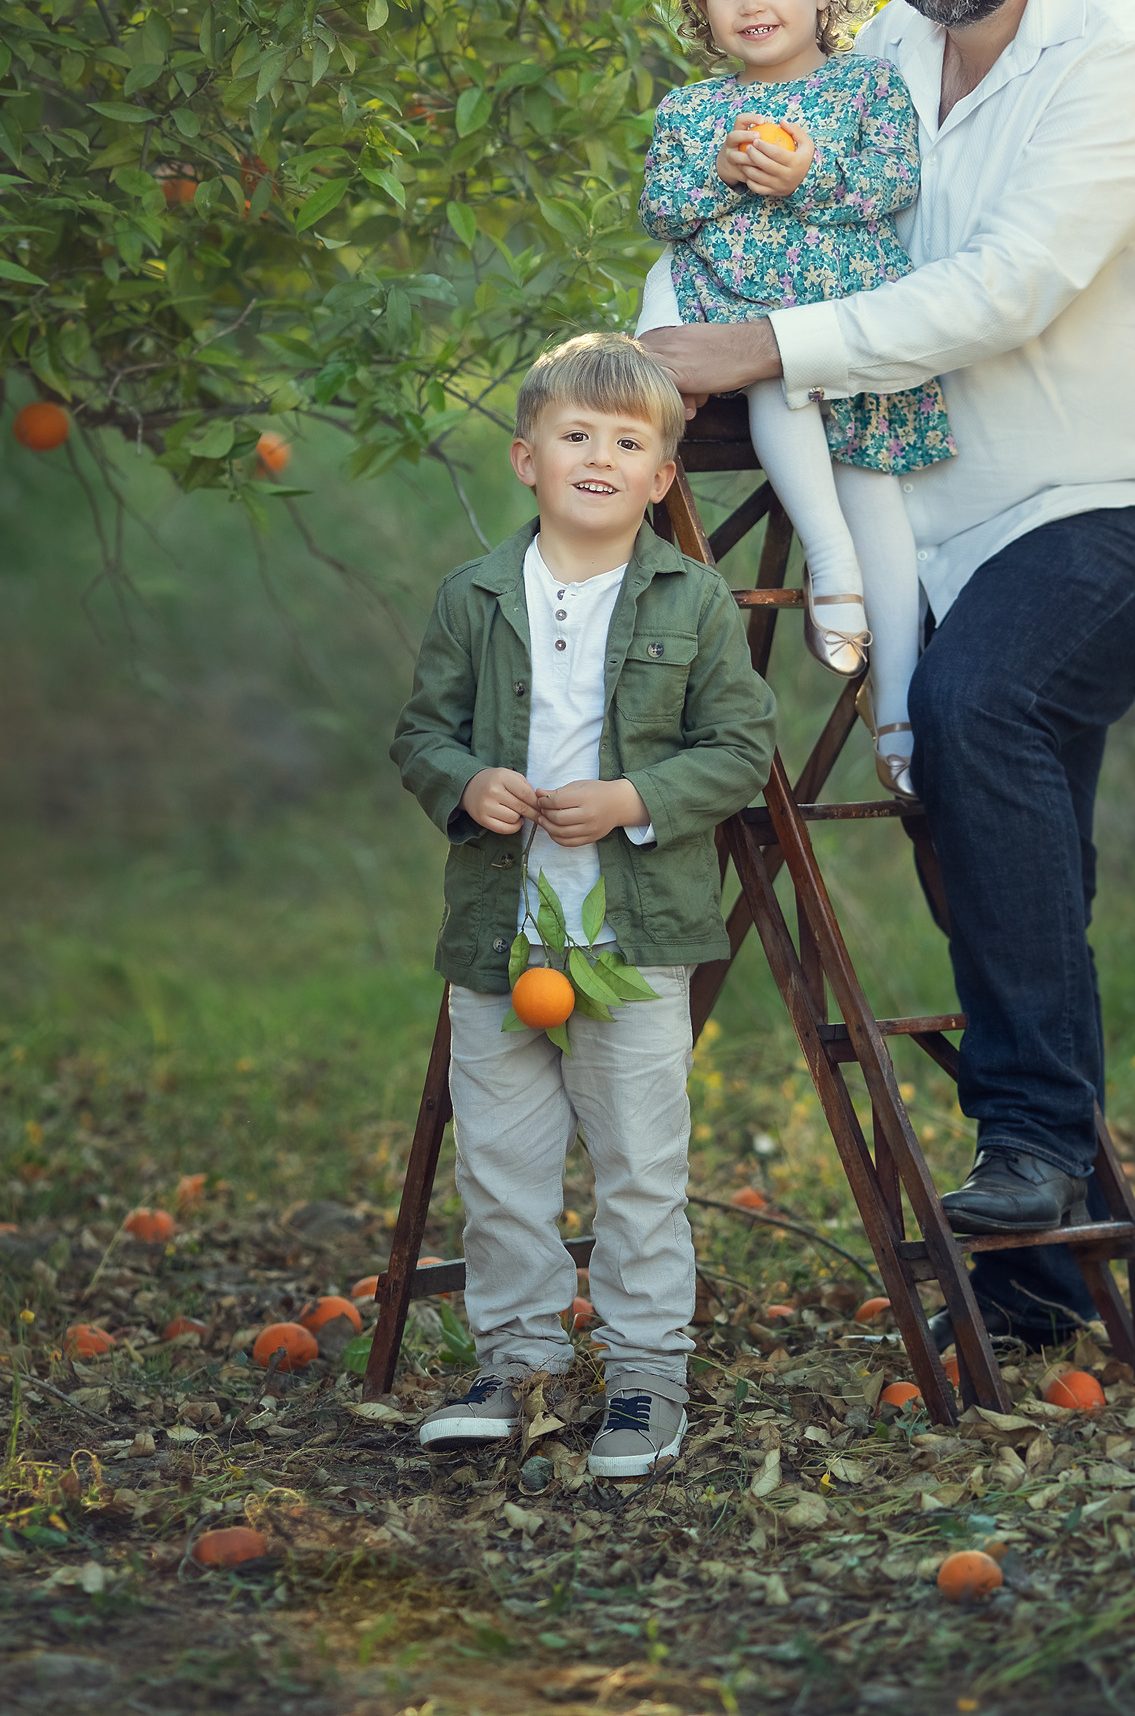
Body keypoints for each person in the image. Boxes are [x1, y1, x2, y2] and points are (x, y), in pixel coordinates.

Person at [639, 0, 1135, 1348]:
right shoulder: (888, 57)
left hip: (1122, 499)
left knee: (980, 712)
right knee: (992, 838)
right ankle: (1044, 1272)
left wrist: (761, 344)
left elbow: (1005, 291)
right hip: (938, 515)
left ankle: (1037, 1152)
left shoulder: (1128, 59)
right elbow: (796, 200)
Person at [390, 333, 779, 1471]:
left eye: (625, 442)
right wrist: (467, 782)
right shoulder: (471, 597)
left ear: (661, 475)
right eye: (574, 437)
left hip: (632, 933)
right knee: (502, 1164)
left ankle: (647, 1374)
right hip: (501, 939)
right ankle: (515, 1363)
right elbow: (421, 731)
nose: (597, 457)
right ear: (527, 458)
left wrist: (631, 797)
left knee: (638, 1166)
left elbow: (741, 746)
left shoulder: (692, 600)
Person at [638, 0, 953, 795]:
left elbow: (891, 186)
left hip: (846, 321)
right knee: (775, 369)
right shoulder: (695, 110)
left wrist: (806, 175)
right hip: (755, 328)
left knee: (879, 498)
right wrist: (727, 178)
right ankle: (829, 562)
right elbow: (663, 211)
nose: (754, 5)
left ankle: (899, 701)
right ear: (702, 9)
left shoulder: (866, 87)